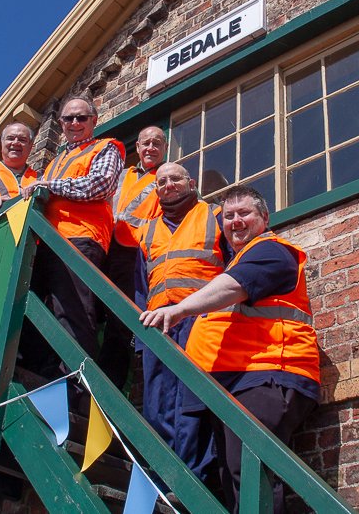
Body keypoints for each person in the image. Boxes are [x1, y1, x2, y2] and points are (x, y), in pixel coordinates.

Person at [140, 185, 320, 514]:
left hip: (267, 376)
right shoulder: (237, 260)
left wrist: (177, 310)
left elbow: (231, 288)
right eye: (229, 216)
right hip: (237, 383)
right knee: (232, 479)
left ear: (264, 218)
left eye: (244, 213)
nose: (235, 221)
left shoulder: (271, 250)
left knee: (250, 474)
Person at [136, 162, 230, 481]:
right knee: (156, 403)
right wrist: (140, 335)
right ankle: (163, 478)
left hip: (202, 320)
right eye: (162, 181)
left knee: (195, 399)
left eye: (175, 179)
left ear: (190, 182)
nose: (168, 185)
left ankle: (194, 480)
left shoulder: (216, 215)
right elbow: (140, 286)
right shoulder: (148, 231)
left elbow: (235, 269)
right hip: (158, 325)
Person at [20, 96, 125, 363]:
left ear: (94, 121)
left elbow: (100, 185)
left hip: (80, 239)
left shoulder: (105, 147)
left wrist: (49, 186)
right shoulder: (56, 162)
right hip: (46, 242)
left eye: (81, 117)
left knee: (73, 315)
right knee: (30, 313)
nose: (75, 123)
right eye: (68, 118)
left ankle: (76, 392)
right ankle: (41, 383)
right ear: (61, 123)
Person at [98, 125, 167, 390]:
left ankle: (111, 385)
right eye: (145, 143)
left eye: (157, 143)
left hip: (134, 255)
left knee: (120, 321)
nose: (150, 148)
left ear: (164, 149)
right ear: (137, 147)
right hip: (105, 249)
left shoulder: (165, 178)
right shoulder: (122, 175)